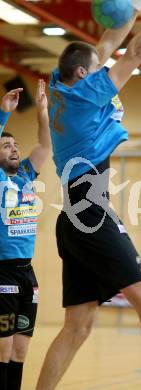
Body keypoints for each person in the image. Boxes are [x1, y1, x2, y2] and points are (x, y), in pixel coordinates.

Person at [35, 1, 141, 390]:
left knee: (77, 325)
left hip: (72, 216)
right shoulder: (85, 94)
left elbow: (109, 41)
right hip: (90, 209)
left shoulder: (63, 82)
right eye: (96, 69)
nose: (102, 71)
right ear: (84, 74)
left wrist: (131, 5)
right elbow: (135, 51)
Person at [0, 80, 50, 390]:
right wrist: (4, 114)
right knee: (3, 348)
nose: (14, 148)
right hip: (2, 271)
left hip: (27, 273)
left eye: (15, 144)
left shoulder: (27, 175)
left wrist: (42, 112)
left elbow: (45, 146)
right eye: (6, 145)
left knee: (20, 348)